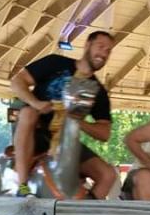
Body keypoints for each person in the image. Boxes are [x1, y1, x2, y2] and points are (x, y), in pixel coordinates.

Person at [9, 31, 118, 199]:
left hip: (66, 139)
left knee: (108, 175)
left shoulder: (98, 91)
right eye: (101, 47)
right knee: (28, 113)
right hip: (37, 132)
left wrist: (77, 121)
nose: (104, 54)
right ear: (88, 45)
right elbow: (17, 81)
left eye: (109, 51)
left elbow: (105, 133)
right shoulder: (55, 63)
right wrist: (36, 103)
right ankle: (22, 187)